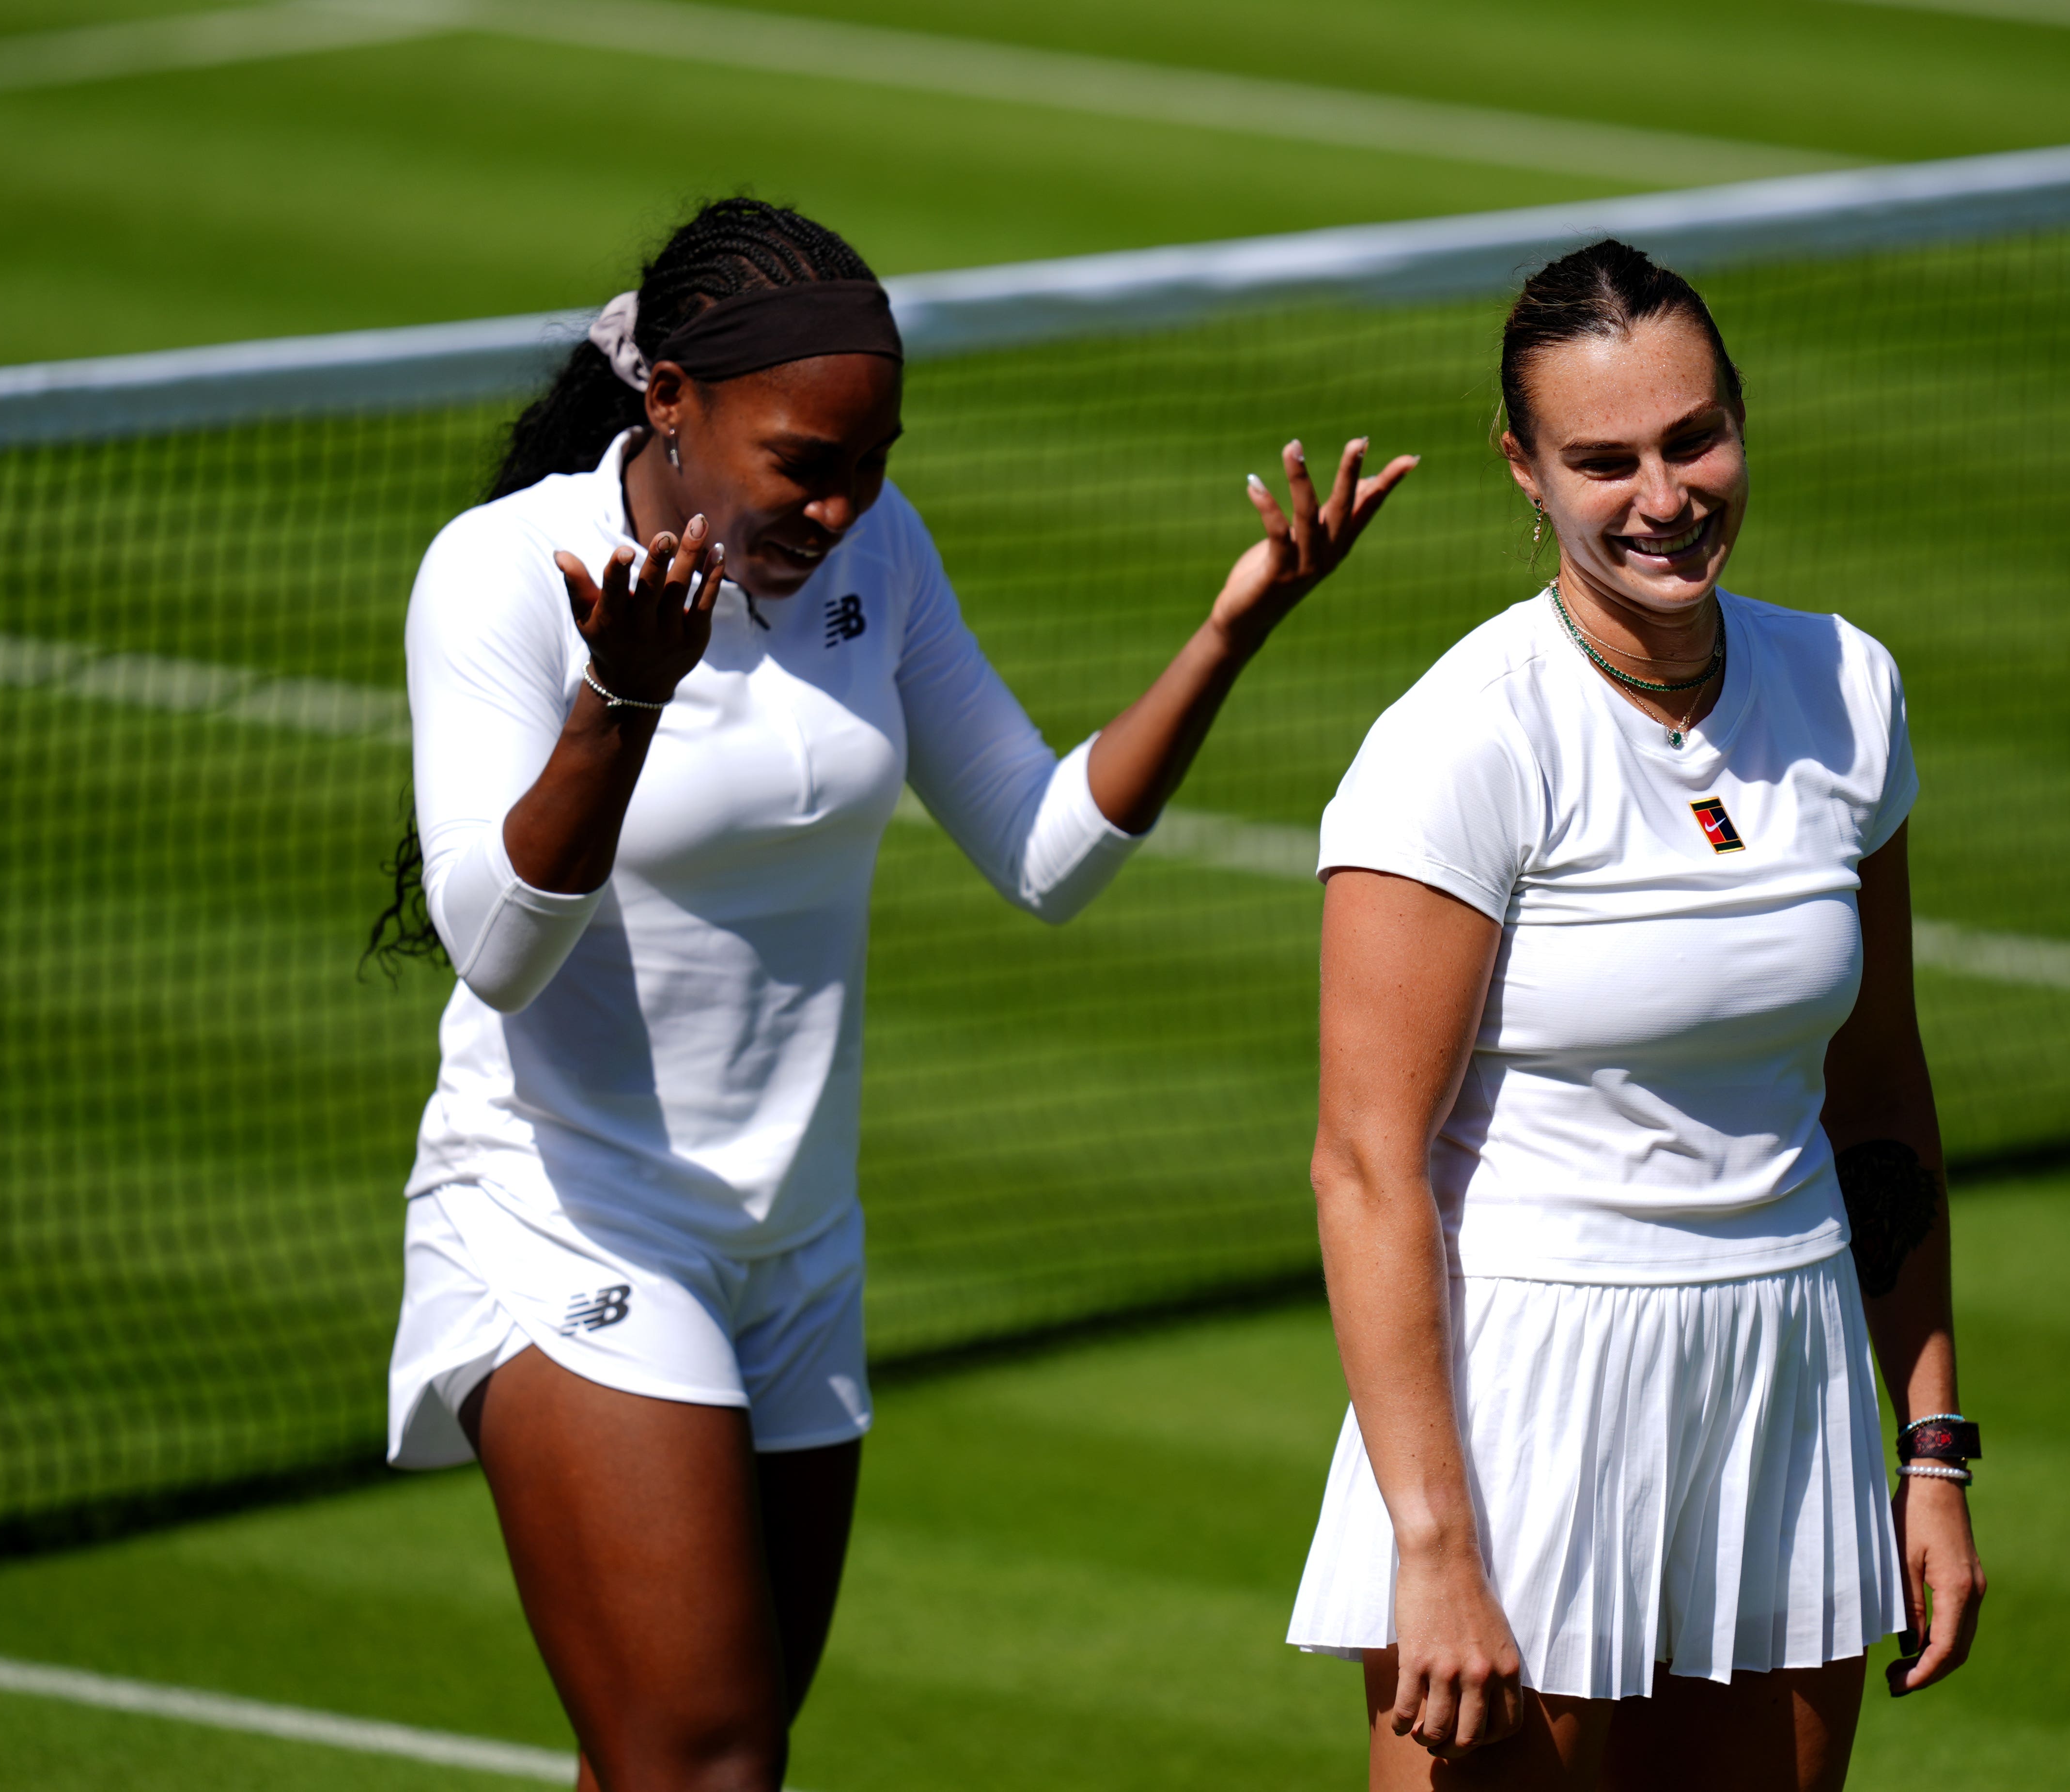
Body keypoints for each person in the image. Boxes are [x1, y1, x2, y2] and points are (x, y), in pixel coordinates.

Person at [365, 197, 1414, 1792]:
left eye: (872, 462)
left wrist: (1230, 629)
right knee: (703, 1761)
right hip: (568, 1221)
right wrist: (621, 700)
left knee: (699, 1756)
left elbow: (1044, 851)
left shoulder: (883, 546)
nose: (847, 505)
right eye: (806, 465)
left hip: (797, 1252)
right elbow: (499, 946)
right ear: (671, 404)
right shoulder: (504, 574)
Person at [1285, 238, 1984, 1790]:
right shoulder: (1460, 745)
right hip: (1530, 1407)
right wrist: (1434, 1541)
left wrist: (1930, 1447)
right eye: (1603, 459)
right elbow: (1362, 1166)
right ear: (1523, 471)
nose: (1663, 495)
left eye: (1692, 439)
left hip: (1783, 1381)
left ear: (1741, 417)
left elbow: (1876, 1102)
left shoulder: (1849, 690)